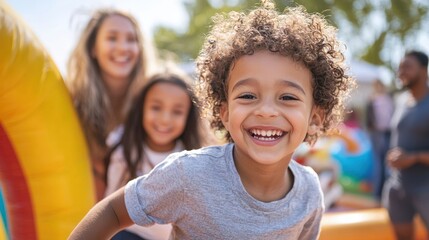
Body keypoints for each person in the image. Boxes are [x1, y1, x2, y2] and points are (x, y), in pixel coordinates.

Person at [69, 1, 354, 239]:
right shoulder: (188, 175)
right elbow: (114, 211)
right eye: (248, 96)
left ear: (315, 118)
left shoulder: (309, 193)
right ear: (224, 112)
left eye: (288, 97)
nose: (267, 110)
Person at [66, 8, 156, 201]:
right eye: (112, 38)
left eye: (131, 39)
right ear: (93, 49)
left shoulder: (154, 103)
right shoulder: (72, 102)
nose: (123, 47)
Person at [104, 71, 205, 240]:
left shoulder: (193, 160)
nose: (165, 119)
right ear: (142, 108)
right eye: (156, 108)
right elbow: (108, 203)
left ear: (188, 117)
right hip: (127, 234)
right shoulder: (123, 147)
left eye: (177, 112)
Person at [383, 50, 429, 240]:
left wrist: (413, 158)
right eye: (400, 67)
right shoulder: (400, 100)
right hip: (397, 185)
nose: (402, 72)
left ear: (424, 71)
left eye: (408, 67)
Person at [365, 79, 394, 200]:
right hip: (376, 133)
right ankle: (377, 193)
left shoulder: (389, 98)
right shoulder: (372, 99)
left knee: (388, 163)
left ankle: (386, 193)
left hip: (387, 132)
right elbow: (369, 117)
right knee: (378, 164)